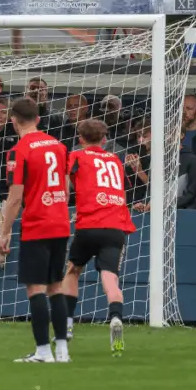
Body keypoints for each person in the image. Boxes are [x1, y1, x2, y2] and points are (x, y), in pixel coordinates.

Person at [0, 98, 71, 363]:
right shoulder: (59, 146)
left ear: (13, 120)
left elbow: (15, 197)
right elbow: (65, 185)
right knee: (56, 286)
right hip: (60, 221)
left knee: (36, 289)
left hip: (38, 224)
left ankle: (42, 352)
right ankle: (62, 350)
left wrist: (4, 232)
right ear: (38, 119)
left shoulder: (19, 151)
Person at [61, 119, 134, 357]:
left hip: (89, 224)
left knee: (73, 271)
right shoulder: (115, 160)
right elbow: (121, 191)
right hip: (115, 227)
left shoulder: (76, 156)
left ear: (80, 139)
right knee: (110, 278)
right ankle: (115, 317)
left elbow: (65, 187)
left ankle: (67, 324)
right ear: (104, 139)